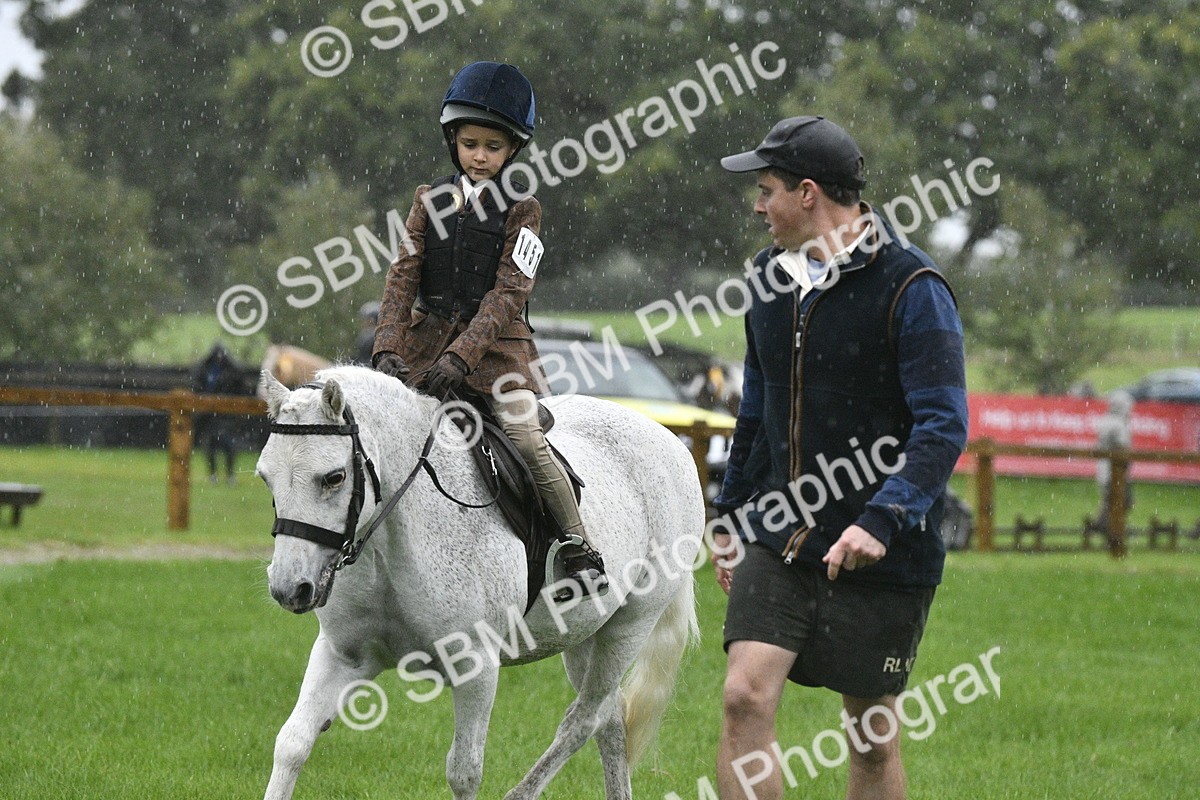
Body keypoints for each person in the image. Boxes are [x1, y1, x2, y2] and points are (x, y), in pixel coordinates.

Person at [710, 116, 968, 800]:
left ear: (808, 194)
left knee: (871, 739)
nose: (758, 207)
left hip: (882, 548)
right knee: (743, 697)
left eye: (766, 190)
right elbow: (758, 407)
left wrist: (882, 519)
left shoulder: (913, 286)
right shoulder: (766, 278)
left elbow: (943, 425)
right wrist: (729, 514)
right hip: (779, 534)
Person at [371, 61, 605, 594]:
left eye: (493, 147)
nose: (479, 156)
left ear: (512, 150)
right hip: (425, 350)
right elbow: (402, 275)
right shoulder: (428, 200)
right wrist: (388, 345)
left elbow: (509, 294)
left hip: (500, 359)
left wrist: (462, 357)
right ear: (453, 141)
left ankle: (578, 545)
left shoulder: (523, 209)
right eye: (470, 144)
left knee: (525, 439)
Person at [193, 343, 246, 485]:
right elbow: (197, 386)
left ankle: (230, 475)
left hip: (226, 415)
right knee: (210, 445)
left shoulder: (231, 372)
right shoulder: (205, 370)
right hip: (208, 415)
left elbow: (239, 389)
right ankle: (213, 474)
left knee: (229, 445)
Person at [1095, 390, 1134, 529]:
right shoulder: (1118, 424)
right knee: (1121, 499)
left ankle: (1105, 525)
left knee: (1110, 499)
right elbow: (1122, 447)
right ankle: (1110, 528)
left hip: (1104, 469)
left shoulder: (1106, 421)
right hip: (1114, 469)